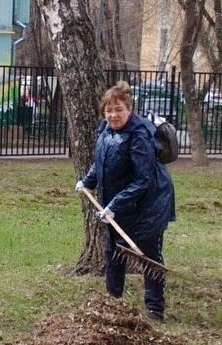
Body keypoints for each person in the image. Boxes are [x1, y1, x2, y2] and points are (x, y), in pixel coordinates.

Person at [75, 81, 175, 323]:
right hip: (120, 204)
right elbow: (101, 162)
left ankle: (155, 310)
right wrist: (87, 181)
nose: (113, 115)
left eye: (118, 109)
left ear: (130, 109)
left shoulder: (140, 136)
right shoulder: (105, 130)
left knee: (148, 255)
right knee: (113, 252)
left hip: (149, 205)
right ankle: (113, 303)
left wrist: (113, 205)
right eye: (109, 110)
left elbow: (143, 180)